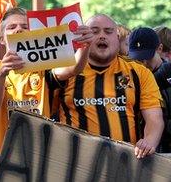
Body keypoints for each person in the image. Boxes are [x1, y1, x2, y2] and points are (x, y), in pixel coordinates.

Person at [0, 6, 94, 160]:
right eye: (12, 27)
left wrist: (84, 46)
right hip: (3, 156)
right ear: (2, 38)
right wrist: (1, 76)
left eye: (25, 26)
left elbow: (73, 69)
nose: (19, 30)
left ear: (33, 32)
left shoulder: (44, 68)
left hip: (41, 156)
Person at [56, 15, 164, 158]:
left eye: (108, 31)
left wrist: (149, 141)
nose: (102, 36)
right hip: (77, 162)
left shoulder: (139, 72)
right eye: (94, 31)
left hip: (126, 163)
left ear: (117, 38)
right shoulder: (65, 72)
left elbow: (154, 118)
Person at [126, 27, 171, 152]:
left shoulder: (167, 75)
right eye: (138, 59)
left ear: (160, 49)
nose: (144, 63)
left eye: (147, 57)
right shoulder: (129, 78)